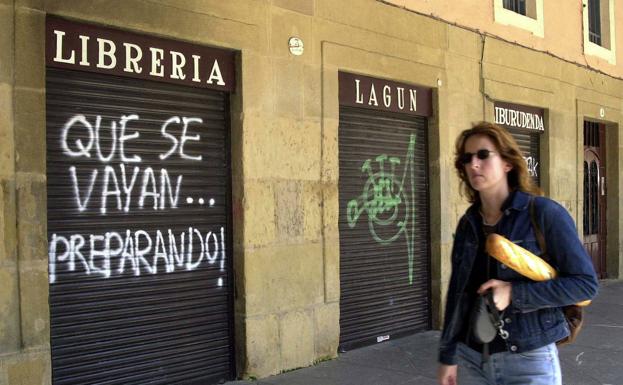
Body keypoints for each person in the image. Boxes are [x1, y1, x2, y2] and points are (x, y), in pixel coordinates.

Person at [437, 122, 599, 385]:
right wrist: (448, 356)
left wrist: (514, 293)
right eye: (467, 159)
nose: (473, 164)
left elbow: (585, 285)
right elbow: (458, 291)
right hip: (472, 358)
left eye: (483, 155)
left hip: (529, 359)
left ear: (507, 163)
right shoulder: (469, 223)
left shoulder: (544, 213)